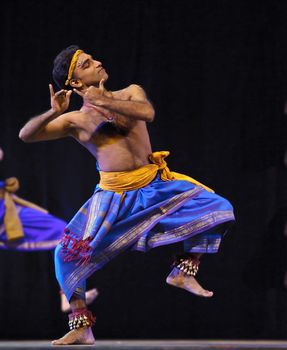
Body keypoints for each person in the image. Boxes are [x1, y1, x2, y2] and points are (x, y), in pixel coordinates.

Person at [19, 45, 235, 345]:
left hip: (155, 186)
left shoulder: (130, 92)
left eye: (93, 58)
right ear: (76, 82)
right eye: (87, 63)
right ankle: (81, 325)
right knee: (64, 255)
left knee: (219, 208)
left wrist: (105, 100)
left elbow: (147, 112)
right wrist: (54, 112)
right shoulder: (76, 121)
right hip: (113, 198)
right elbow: (26, 135)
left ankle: (183, 270)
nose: (98, 62)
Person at [0, 146, 98, 313]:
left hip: (8, 208)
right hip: (5, 213)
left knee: (65, 235)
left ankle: (69, 296)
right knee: (65, 235)